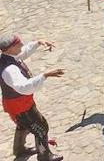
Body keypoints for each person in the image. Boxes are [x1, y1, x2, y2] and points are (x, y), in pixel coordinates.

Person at [1, 33, 64, 161]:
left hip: (17, 103)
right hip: (20, 105)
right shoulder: (10, 70)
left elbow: (22, 52)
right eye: (18, 44)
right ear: (10, 48)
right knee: (41, 127)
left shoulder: (9, 56)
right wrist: (44, 75)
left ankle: (19, 150)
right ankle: (45, 156)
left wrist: (38, 43)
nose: (22, 45)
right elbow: (23, 87)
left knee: (23, 124)